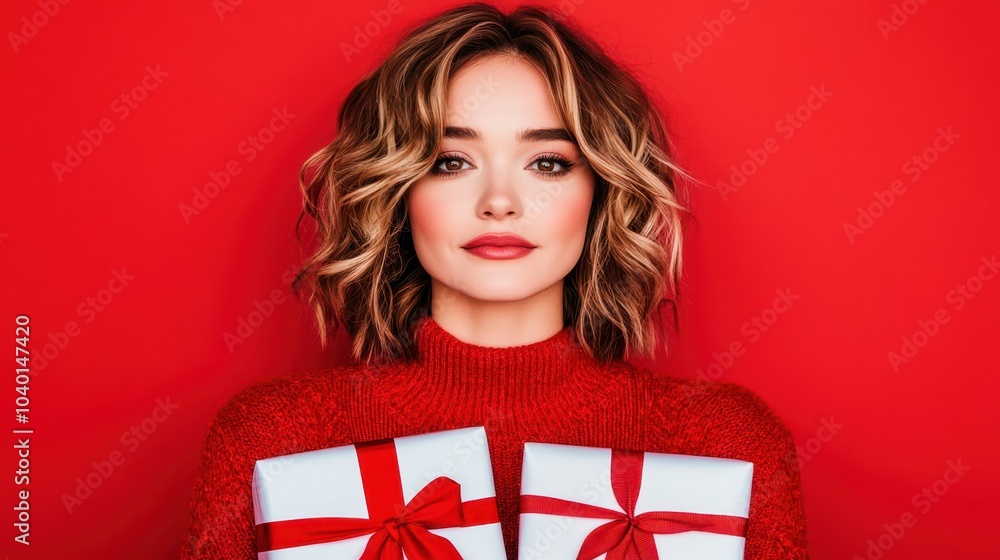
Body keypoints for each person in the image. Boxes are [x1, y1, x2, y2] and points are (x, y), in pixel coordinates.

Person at [180, 2, 810, 558]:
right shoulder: (274, 440)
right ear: (399, 190)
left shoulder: (724, 444)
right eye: (451, 161)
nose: (501, 202)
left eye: (548, 162)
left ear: (601, 192)